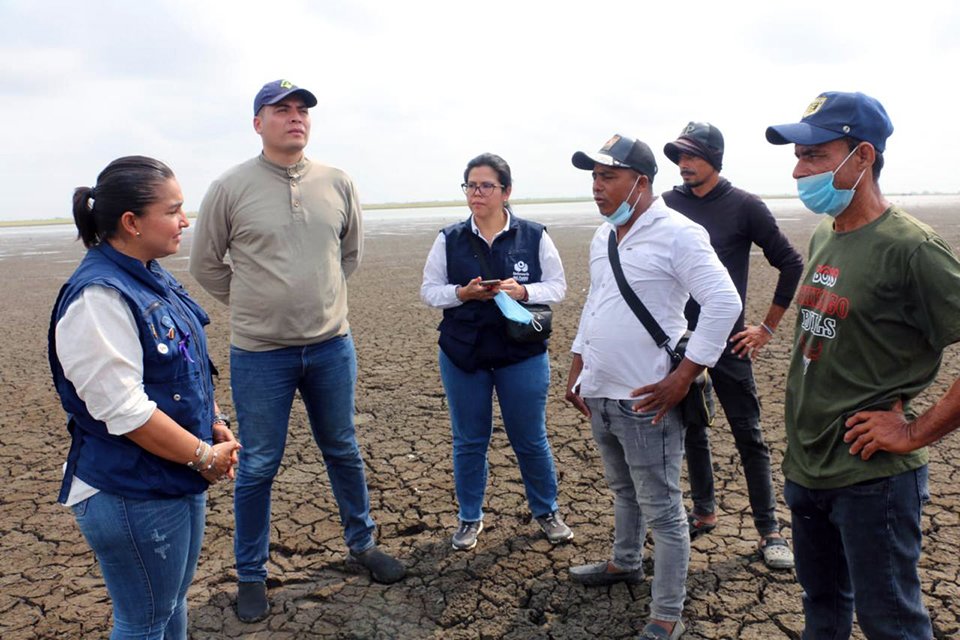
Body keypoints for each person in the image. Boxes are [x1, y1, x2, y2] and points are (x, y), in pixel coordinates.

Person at [189, 79, 404, 623]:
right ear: (258, 122)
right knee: (259, 464)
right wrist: (258, 305)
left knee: (343, 449)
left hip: (332, 346)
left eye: (302, 109)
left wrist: (318, 299)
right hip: (261, 354)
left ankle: (363, 544)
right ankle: (252, 575)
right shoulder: (230, 187)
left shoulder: (338, 182)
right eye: (281, 109)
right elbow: (206, 264)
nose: (295, 117)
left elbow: (347, 254)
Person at [766, 91, 960, 638]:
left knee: (890, 623)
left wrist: (916, 430)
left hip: (870, 479)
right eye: (799, 157)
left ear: (863, 157)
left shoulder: (912, 248)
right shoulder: (827, 232)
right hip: (808, 468)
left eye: (815, 156)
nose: (800, 169)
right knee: (822, 608)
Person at [50, 156, 241, 639]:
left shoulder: (148, 274)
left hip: (170, 477)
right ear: (131, 223)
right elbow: (126, 412)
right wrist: (203, 456)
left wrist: (214, 422)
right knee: (143, 621)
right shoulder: (100, 297)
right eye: (173, 210)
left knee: (171, 606)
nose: (185, 221)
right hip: (131, 491)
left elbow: (186, 365)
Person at [565, 134, 741, 640]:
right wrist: (579, 362)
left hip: (648, 398)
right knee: (623, 490)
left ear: (640, 182)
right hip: (602, 390)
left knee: (663, 509)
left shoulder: (679, 234)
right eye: (593, 177)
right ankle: (624, 563)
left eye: (608, 177)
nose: (596, 188)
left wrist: (683, 377)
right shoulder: (605, 236)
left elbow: (723, 304)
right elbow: (596, 302)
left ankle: (666, 616)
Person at [661, 122, 804, 570]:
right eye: (679, 156)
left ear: (714, 159)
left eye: (692, 156)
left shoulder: (744, 206)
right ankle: (704, 512)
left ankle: (770, 530)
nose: (684, 164)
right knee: (693, 430)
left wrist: (766, 327)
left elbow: (790, 263)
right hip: (681, 343)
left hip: (730, 343)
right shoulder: (666, 206)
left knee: (750, 436)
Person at [420, 153, 573, 551]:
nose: (477, 193)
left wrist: (522, 291)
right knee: (469, 440)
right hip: (463, 354)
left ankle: (547, 511)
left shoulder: (534, 235)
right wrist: (461, 293)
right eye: (471, 185)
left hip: (520, 353)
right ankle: (470, 518)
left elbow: (557, 287)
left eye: (486, 185)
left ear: (506, 192)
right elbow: (429, 291)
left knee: (530, 438)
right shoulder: (449, 238)